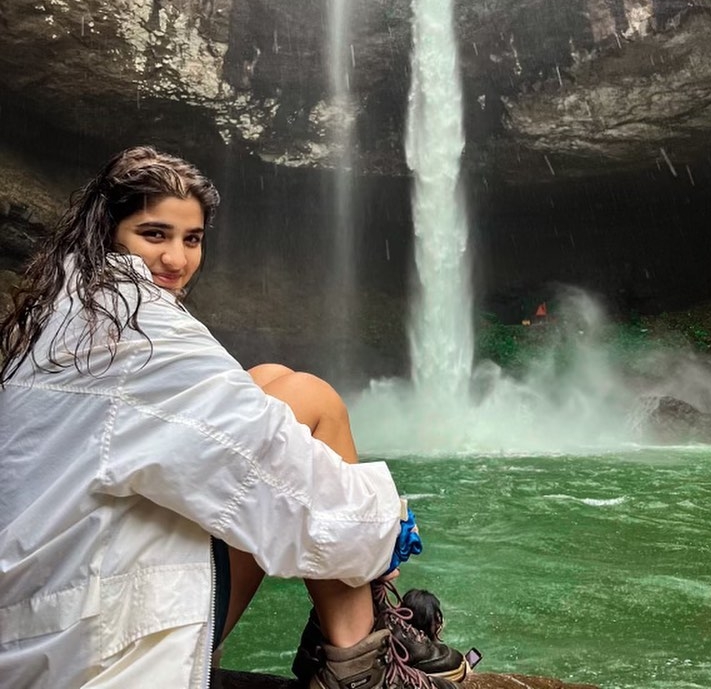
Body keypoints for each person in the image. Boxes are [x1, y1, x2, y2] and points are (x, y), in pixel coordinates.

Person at [0, 146, 467, 689]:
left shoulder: (62, 309)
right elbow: (269, 463)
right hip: (96, 653)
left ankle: (359, 635)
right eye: (155, 234)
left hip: (43, 618)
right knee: (311, 403)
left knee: (271, 379)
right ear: (108, 231)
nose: (176, 259)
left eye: (191, 239)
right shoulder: (137, 331)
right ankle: (360, 659)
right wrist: (385, 530)